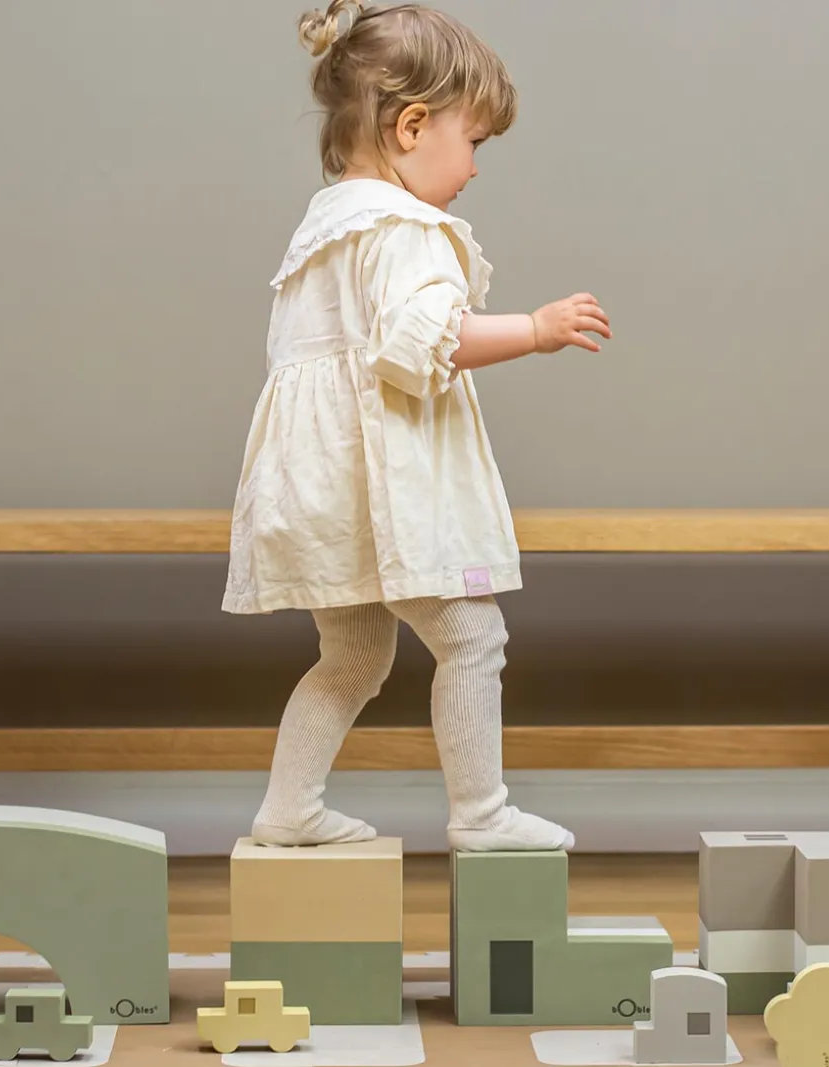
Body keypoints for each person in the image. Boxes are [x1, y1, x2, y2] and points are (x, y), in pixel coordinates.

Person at [222, 0, 612, 851]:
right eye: (473, 141)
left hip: (328, 492)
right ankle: (481, 812)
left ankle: (289, 806)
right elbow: (419, 342)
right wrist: (534, 329)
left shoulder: (325, 227)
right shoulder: (405, 230)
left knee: (353, 656)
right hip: (390, 494)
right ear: (410, 127)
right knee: (473, 635)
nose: (473, 167)